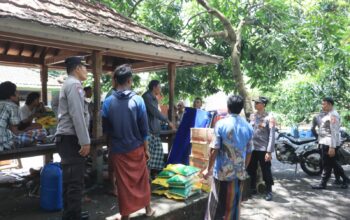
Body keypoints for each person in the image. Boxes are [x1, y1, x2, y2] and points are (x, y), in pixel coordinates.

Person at [102, 64, 154, 220]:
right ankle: (148, 209)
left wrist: (111, 147)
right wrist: (147, 149)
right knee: (142, 180)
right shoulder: (138, 100)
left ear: (116, 81)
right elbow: (144, 130)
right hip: (136, 148)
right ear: (130, 80)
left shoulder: (108, 102)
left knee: (123, 185)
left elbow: (107, 130)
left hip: (118, 150)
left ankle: (125, 215)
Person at [203, 95, 253, 220]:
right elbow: (249, 152)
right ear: (241, 108)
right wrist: (243, 168)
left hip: (222, 173)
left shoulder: (221, 124)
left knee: (215, 205)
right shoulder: (248, 127)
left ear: (228, 107)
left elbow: (214, 150)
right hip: (238, 173)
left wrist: (208, 169)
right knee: (233, 205)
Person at [55, 56, 90, 220]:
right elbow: (77, 115)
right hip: (71, 138)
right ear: (77, 68)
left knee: (69, 181)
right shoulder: (74, 85)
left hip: (66, 138)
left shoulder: (68, 84)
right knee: (75, 182)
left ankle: (70, 214)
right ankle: (72, 216)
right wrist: (85, 141)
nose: (87, 70)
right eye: (85, 67)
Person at [311, 97, 349, 189]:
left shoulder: (333, 115)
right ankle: (345, 179)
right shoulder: (328, 114)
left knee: (328, 164)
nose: (322, 106)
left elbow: (334, 132)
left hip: (329, 144)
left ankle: (323, 184)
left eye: (324, 104)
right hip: (326, 142)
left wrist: (332, 147)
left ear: (330, 104)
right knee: (332, 163)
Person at [0, 81, 47, 151]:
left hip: (4, 139)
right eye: (16, 92)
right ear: (11, 95)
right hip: (5, 144)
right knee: (42, 131)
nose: (18, 94)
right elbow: (15, 132)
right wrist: (29, 130)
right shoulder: (12, 106)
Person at [142, 80, 174, 178]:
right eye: (159, 87)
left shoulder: (154, 98)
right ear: (154, 87)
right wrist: (167, 121)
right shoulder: (147, 97)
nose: (160, 89)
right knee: (148, 158)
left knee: (157, 157)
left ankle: (152, 177)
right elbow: (155, 112)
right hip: (149, 132)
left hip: (155, 132)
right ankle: (146, 180)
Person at [247, 96, 275, 201]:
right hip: (253, 147)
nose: (255, 104)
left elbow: (272, 136)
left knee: (266, 170)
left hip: (263, 148)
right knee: (251, 169)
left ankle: (269, 191)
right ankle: (252, 188)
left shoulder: (270, 117)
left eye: (258, 102)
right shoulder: (252, 116)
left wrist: (269, 151)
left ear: (263, 104)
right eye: (255, 102)